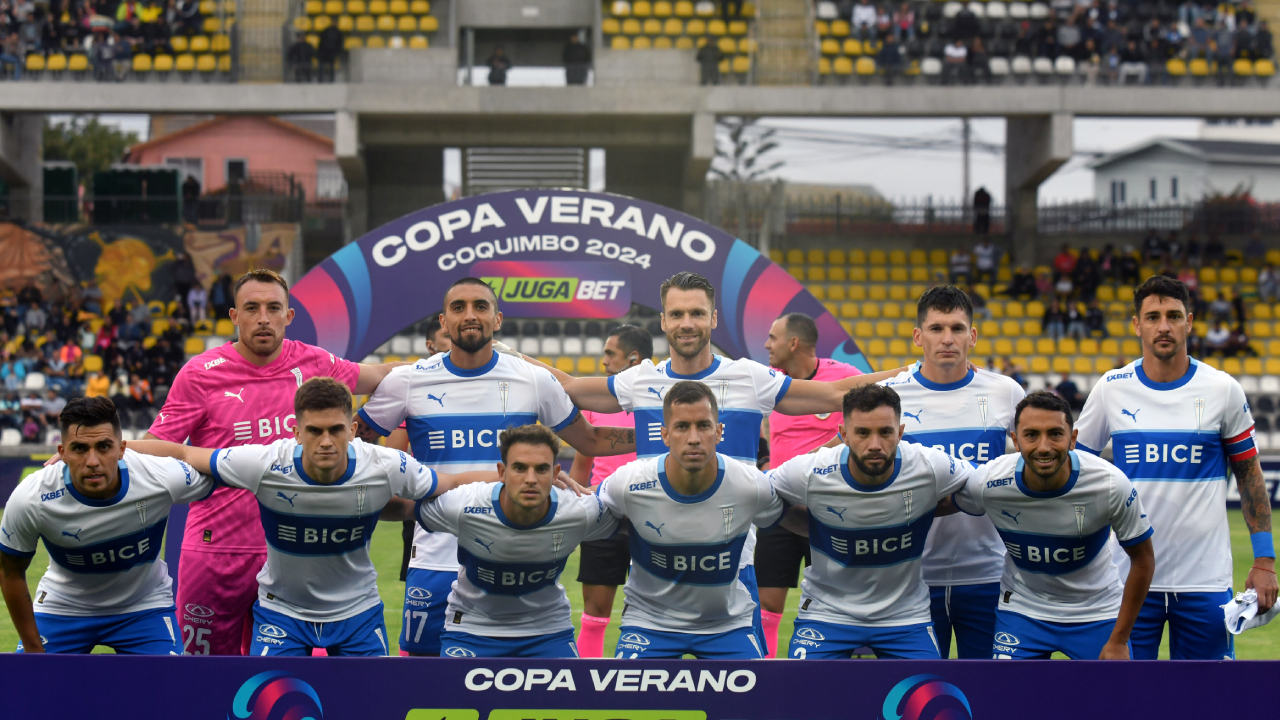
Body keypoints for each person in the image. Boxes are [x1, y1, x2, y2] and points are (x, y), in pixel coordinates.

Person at [522, 272, 899, 655]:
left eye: (698, 314)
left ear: (714, 318)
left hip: (733, 572)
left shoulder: (748, 378)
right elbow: (566, 387)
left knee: (747, 706)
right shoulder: (638, 380)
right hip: (655, 577)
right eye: (678, 314)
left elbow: (837, 393)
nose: (688, 323)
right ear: (664, 321)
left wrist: (916, 377)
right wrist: (508, 357)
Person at [356, 277, 635, 657]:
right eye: (459, 307)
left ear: (498, 319)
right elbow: (353, 443)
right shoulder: (409, 381)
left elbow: (590, 441)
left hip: (515, 554)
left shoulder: (534, 380)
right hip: (436, 557)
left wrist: (662, 436)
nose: (470, 315)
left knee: (534, 687)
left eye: (481, 306)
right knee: (423, 685)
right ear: (444, 321)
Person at [135, 268, 404, 656]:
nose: (263, 317)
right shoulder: (199, 375)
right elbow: (156, 448)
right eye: (252, 308)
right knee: (202, 678)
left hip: (292, 559)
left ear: (288, 316)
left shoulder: (314, 363)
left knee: (283, 683)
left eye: (273, 307)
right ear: (234, 316)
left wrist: (449, 366)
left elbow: (380, 376)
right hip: (216, 552)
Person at [127, 378, 492, 656]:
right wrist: (114, 451)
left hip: (359, 614)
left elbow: (452, 482)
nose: (326, 441)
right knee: (269, 704)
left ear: (352, 430)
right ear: (296, 432)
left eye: (336, 430)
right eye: (314, 431)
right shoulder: (266, 462)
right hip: (282, 615)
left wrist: (512, 477)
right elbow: (184, 452)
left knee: (370, 709)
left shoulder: (384, 466)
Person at [1075, 275, 1275, 659]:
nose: (1163, 326)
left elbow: (1250, 477)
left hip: (1204, 580)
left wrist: (1264, 561)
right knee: (1125, 702)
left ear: (1190, 321)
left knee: (1208, 704)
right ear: (1137, 325)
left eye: (1173, 316)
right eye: (1152, 317)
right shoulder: (1111, 388)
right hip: (1128, 579)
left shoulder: (1222, 389)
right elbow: (1076, 471)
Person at [769, 384, 974, 659]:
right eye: (863, 433)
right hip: (826, 614)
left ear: (900, 432)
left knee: (926, 697)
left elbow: (983, 488)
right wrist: (811, 525)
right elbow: (760, 495)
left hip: (905, 618)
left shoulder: (929, 466)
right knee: (805, 698)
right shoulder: (811, 470)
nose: (875, 445)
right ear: (843, 435)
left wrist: (924, 511)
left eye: (885, 432)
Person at [948, 392, 1155, 659]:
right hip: (1023, 611)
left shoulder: (1110, 484)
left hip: (1097, 612)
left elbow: (1144, 560)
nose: (1043, 446)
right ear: (1015, 440)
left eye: (1055, 434)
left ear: (1073, 439)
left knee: (1115, 699)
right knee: (1008, 699)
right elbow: (940, 504)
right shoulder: (990, 481)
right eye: (1031, 435)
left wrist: (1119, 640)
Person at [0, 397, 215, 654]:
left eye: (104, 446)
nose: (92, 461)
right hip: (63, 607)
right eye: (79, 448)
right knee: (31, 689)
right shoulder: (32, 496)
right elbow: (10, 571)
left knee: (170, 692)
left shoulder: (160, 475)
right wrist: (34, 649)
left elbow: (229, 469)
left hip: (143, 606)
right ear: (62, 452)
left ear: (123, 449)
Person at [877, 286, 1025, 659]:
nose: (947, 339)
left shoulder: (1005, 392)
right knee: (919, 694)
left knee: (990, 696)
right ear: (917, 336)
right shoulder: (888, 396)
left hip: (989, 574)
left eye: (957, 328)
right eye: (936, 328)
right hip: (910, 577)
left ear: (972, 336)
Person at [599, 381, 791, 659]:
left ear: (719, 432)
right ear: (664, 434)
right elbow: (587, 516)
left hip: (726, 625)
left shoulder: (750, 486)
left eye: (703, 425)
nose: (693, 438)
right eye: (681, 427)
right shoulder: (628, 483)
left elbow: (788, 519)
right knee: (628, 700)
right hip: (650, 624)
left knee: (756, 700)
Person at [418, 424, 618, 658]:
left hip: (549, 630)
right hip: (472, 628)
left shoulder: (579, 510)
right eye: (520, 468)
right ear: (501, 472)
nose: (530, 479)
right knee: (455, 695)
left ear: (555, 474)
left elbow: (631, 517)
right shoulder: (464, 505)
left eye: (542, 469)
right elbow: (401, 506)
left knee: (569, 695)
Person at [758, 312, 861, 657]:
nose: (766, 344)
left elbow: (876, 415)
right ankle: (765, 677)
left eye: (772, 337)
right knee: (767, 602)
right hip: (780, 506)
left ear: (793, 343)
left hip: (832, 509)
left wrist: (823, 453)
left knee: (840, 600)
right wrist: (764, 462)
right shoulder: (771, 382)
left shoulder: (845, 377)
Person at [567, 324, 649, 658]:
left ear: (633, 358)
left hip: (651, 514)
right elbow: (583, 464)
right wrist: (571, 513)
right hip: (604, 515)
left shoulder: (660, 400)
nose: (603, 362)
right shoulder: (595, 402)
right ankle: (590, 690)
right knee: (594, 611)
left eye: (609, 354)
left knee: (648, 608)